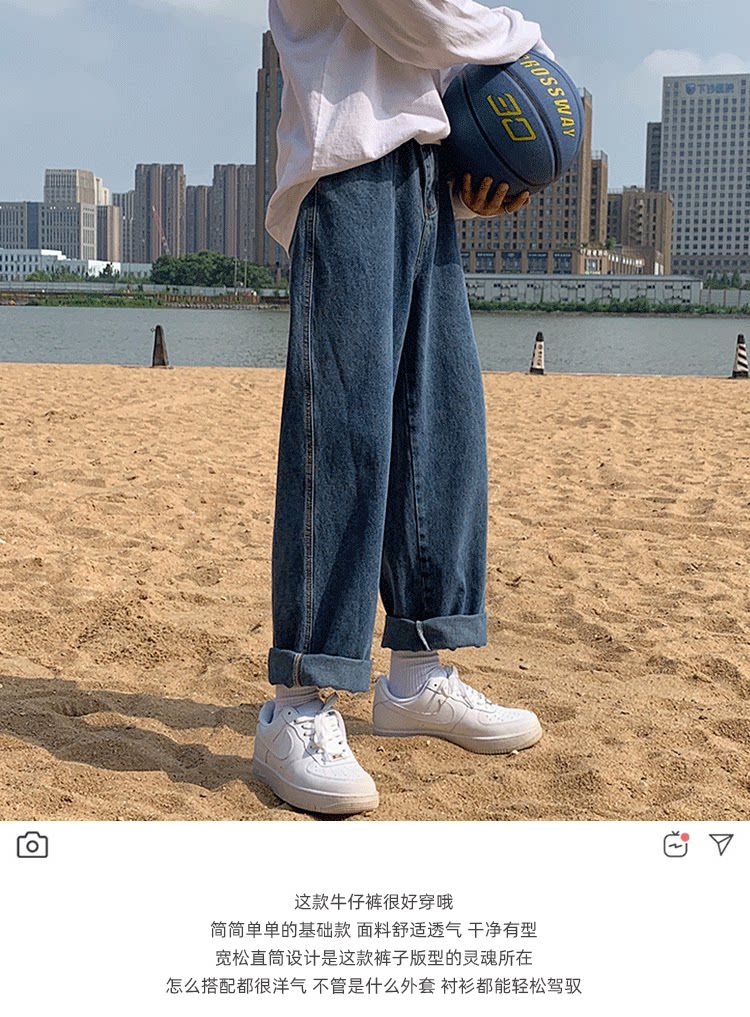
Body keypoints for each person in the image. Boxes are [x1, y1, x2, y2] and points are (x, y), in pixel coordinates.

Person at [252, 0, 553, 815]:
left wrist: (481, 155)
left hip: (423, 167)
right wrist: (525, 42)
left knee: (441, 422)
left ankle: (419, 671)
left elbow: (430, 53)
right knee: (343, 435)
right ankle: (299, 700)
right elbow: (419, 17)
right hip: (346, 163)